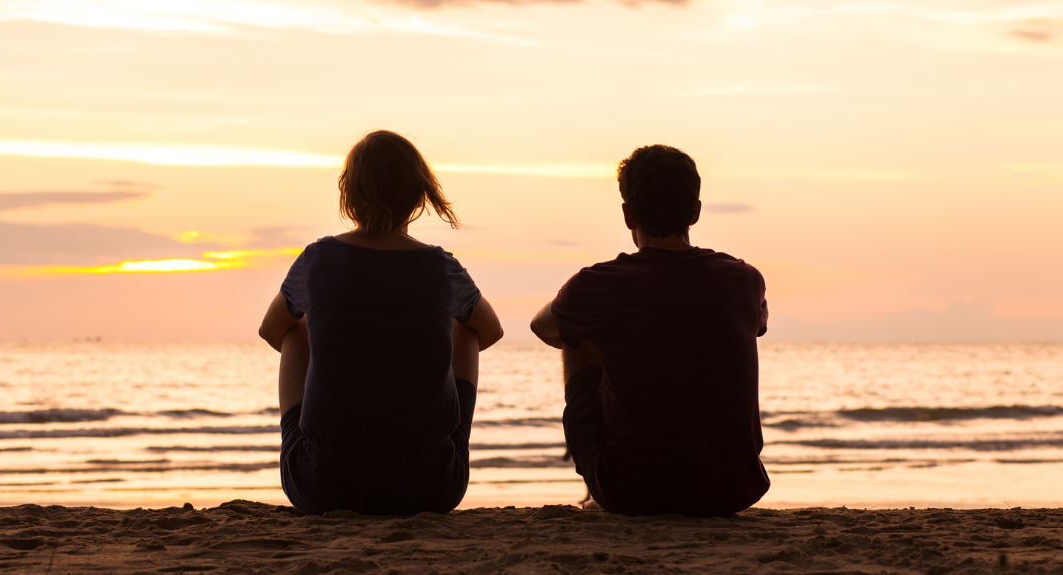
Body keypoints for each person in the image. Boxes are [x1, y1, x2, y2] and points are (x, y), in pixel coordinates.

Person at [259, 130, 503, 516]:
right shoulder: (441, 267)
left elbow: (271, 330)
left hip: (323, 486)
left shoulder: (317, 259)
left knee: (296, 328)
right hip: (431, 487)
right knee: (465, 329)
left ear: (349, 195)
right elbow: (490, 330)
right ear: (418, 197)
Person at [530, 144, 769, 516]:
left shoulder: (598, 284)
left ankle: (597, 488)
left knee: (575, 332)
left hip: (632, 492)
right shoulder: (744, 279)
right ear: (696, 211)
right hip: (732, 489)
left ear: (628, 215)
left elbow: (543, 328)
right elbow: (756, 326)